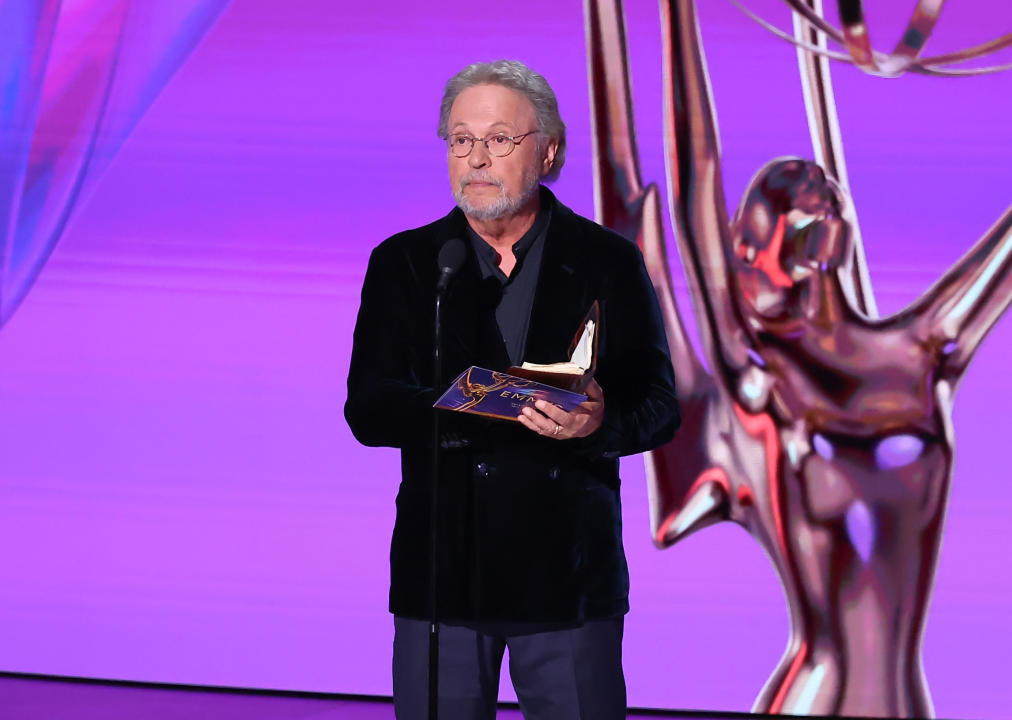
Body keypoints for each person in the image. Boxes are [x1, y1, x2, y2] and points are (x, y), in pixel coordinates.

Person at [345, 59, 680, 720]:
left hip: (568, 582)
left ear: (549, 150)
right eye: (460, 139)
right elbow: (369, 407)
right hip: (442, 578)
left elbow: (660, 408)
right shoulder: (407, 262)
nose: (476, 158)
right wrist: (483, 399)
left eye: (500, 139)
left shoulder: (607, 261)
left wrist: (598, 422)